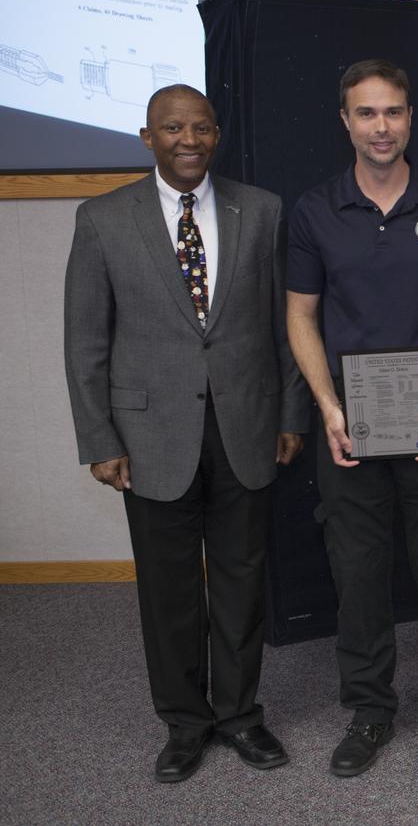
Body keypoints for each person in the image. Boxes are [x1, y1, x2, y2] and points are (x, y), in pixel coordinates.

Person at [63, 84, 309, 782]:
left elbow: (286, 326)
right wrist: (100, 438)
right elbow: (85, 341)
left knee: (240, 579)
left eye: (201, 126)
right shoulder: (103, 219)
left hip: (247, 427)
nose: (189, 139)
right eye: (173, 127)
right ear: (148, 137)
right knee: (168, 589)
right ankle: (184, 722)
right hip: (149, 437)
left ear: (217, 133)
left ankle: (238, 715)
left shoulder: (260, 210)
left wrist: (291, 414)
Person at [286, 59, 418, 778]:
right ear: (345, 120)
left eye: (393, 112)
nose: (381, 127)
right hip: (349, 411)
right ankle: (370, 712)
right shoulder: (314, 210)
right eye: (367, 113)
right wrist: (328, 407)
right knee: (359, 569)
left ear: (410, 118)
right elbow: (299, 317)